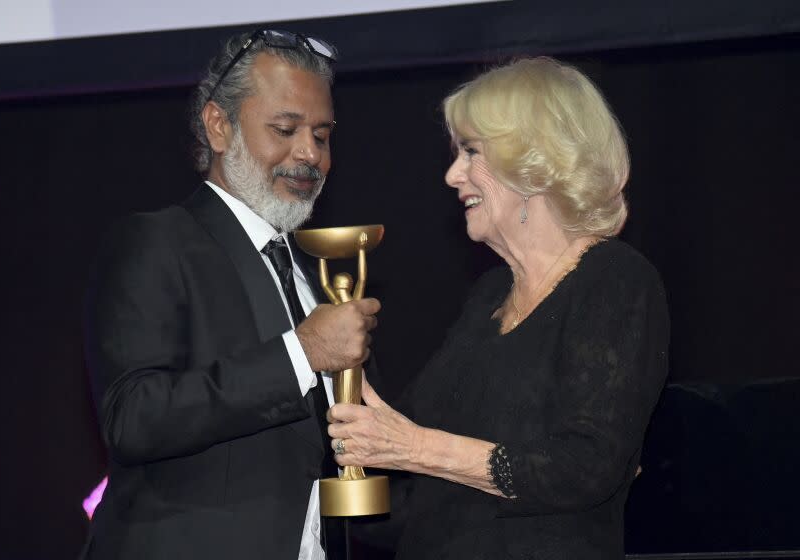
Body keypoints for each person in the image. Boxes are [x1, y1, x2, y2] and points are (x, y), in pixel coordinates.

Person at [327, 57, 670, 559]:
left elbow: (586, 468)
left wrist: (418, 448)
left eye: (470, 152)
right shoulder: (488, 295)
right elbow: (407, 445)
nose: (451, 175)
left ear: (533, 161)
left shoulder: (614, 280)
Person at [81, 29, 380, 560]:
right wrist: (302, 354)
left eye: (323, 134)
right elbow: (133, 417)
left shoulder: (310, 270)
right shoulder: (157, 241)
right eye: (285, 129)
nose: (309, 153)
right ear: (219, 127)